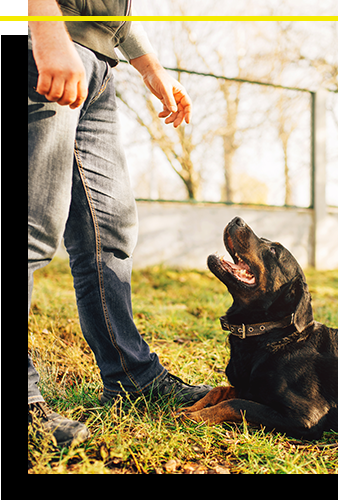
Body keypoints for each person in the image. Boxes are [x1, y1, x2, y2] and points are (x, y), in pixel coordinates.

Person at [28, 0, 211, 448]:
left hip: (97, 64)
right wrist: (47, 32)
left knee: (107, 233)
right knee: (32, 229)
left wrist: (149, 67)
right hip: (43, 43)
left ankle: (133, 377)